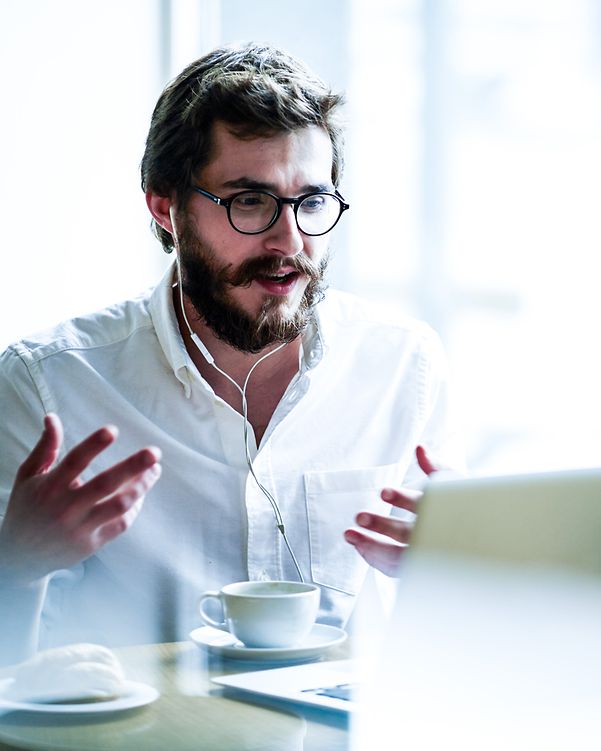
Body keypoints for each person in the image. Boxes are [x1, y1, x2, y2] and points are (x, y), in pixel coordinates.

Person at [0, 43, 462, 664]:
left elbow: (451, 630)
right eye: (249, 200)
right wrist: (16, 563)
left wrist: (458, 568)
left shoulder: (405, 366)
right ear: (167, 208)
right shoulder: (49, 383)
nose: (288, 239)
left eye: (312, 202)